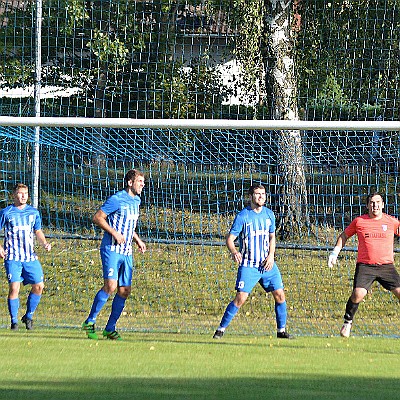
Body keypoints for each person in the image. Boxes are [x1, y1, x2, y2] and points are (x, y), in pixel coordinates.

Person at [213, 184, 290, 339]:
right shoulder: (243, 216)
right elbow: (230, 238)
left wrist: (271, 256)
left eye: (263, 194)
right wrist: (234, 251)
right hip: (249, 265)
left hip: (267, 265)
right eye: (257, 194)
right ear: (251, 197)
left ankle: (281, 331)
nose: (261, 196)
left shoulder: (269, 215)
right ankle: (220, 329)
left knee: (280, 295)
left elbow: (272, 237)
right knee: (241, 298)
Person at [82, 169, 146, 340]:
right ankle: (90, 321)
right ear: (130, 182)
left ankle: (110, 328)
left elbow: (129, 225)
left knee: (124, 291)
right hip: (111, 249)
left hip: (127, 252)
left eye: (143, 182)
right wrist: (114, 233)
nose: (143, 185)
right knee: (110, 286)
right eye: (140, 181)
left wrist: (137, 240)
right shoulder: (116, 199)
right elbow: (97, 218)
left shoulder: (137, 201)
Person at [328, 192, 400, 338]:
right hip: (366, 266)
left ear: (383, 205)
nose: (375, 205)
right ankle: (347, 322)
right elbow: (344, 235)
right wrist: (335, 253)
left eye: (378, 202)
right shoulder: (359, 221)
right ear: (367, 205)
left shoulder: (391, 222)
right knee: (358, 294)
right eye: (372, 202)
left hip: (386, 266)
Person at [0, 183, 52, 330]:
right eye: (20, 193)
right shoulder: (6, 212)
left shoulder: (33, 213)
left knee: (39, 286)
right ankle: (14, 321)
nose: (23, 196)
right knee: (14, 288)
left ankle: (28, 316)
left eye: (26, 193)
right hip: (13, 258)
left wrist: (44, 244)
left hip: (30, 257)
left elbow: (38, 231)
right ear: (14, 195)